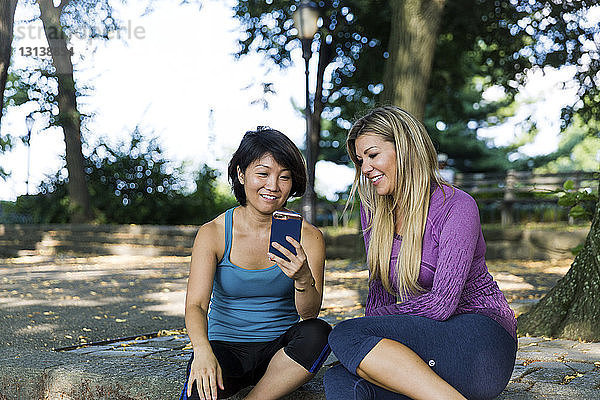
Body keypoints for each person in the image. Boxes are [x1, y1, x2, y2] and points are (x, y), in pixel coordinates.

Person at [324, 106, 517, 400]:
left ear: (405, 149)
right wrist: (373, 337)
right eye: (360, 160)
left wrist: (371, 328)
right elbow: (379, 293)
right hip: (430, 340)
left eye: (372, 155)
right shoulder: (374, 211)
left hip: (482, 344)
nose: (364, 168)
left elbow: (441, 305)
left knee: (344, 334)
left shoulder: (457, 206)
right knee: (341, 379)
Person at [181, 127, 331, 400]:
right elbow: (196, 305)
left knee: (319, 333)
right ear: (241, 174)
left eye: (284, 177)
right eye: (262, 174)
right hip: (224, 348)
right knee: (197, 391)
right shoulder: (213, 233)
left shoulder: (309, 237)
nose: (273, 186)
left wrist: (301, 277)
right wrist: (202, 352)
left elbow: (309, 315)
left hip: (280, 354)